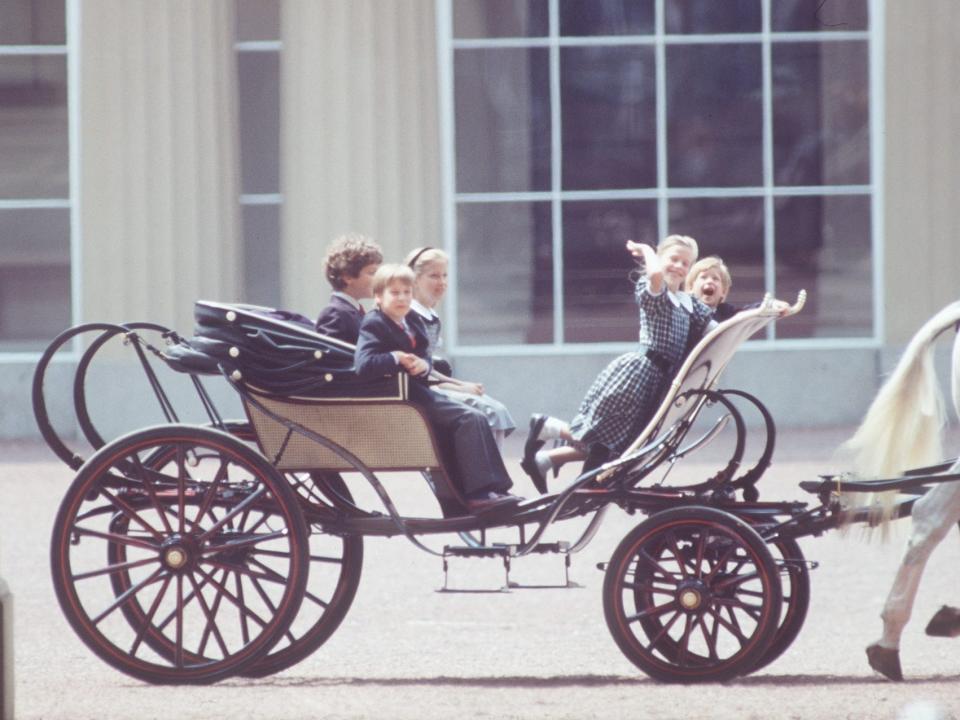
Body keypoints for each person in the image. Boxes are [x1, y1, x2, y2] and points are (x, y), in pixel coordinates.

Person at [521, 235, 714, 493]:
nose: (679, 266)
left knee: (625, 439)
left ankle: (549, 438)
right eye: (674, 259)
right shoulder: (654, 288)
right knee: (607, 432)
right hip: (639, 371)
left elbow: (718, 325)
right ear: (660, 259)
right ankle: (584, 480)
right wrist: (647, 250)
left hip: (658, 379)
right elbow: (656, 276)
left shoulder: (689, 303)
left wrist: (762, 313)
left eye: (686, 263)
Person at [355, 264, 521, 514]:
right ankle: (478, 495)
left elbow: (424, 355)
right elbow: (363, 364)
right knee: (469, 418)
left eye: (407, 292)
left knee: (477, 416)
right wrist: (396, 357)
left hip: (419, 388)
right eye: (395, 293)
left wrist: (423, 364)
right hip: (399, 396)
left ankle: (496, 489)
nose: (402, 298)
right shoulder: (374, 323)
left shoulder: (411, 318)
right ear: (378, 297)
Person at [404, 246, 516, 449]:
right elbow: (419, 372)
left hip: (433, 386)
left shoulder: (430, 315)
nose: (442, 282)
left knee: (497, 410)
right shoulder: (410, 317)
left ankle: (490, 471)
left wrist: (460, 385)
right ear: (415, 280)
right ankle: (485, 474)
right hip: (421, 393)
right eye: (434, 276)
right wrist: (459, 387)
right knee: (490, 413)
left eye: (444, 275)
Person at [315, 233, 383, 343]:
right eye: (372, 273)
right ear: (347, 277)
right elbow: (331, 357)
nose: (378, 278)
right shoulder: (335, 313)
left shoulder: (355, 311)